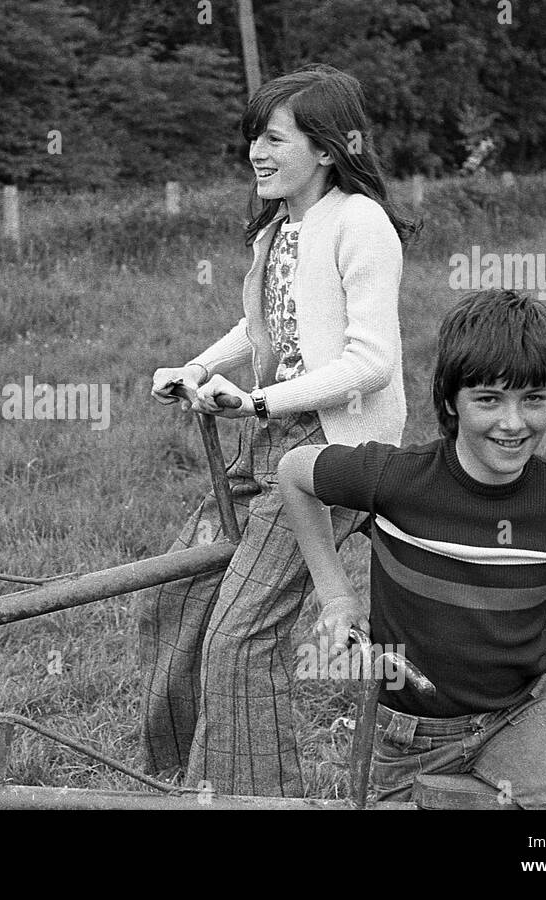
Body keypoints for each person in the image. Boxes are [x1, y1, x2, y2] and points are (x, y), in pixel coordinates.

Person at [139, 64, 417, 796]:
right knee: (173, 598)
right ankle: (179, 779)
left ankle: (255, 798)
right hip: (265, 443)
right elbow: (264, 328)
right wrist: (198, 369)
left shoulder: (359, 223)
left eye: (273, 138)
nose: (256, 154)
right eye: (251, 140)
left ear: (326, 148)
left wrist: (259, 403)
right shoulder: (280, 228)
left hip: (334, 456)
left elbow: (372, 361)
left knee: (241, 635)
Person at [277, 289, 546, 809]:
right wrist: (335, 596)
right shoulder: (398, 480)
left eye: (532, 398)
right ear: (451, 400)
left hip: (520, 719)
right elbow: (294, 473)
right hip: (412, 740)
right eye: (488, 398)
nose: (513, 422)